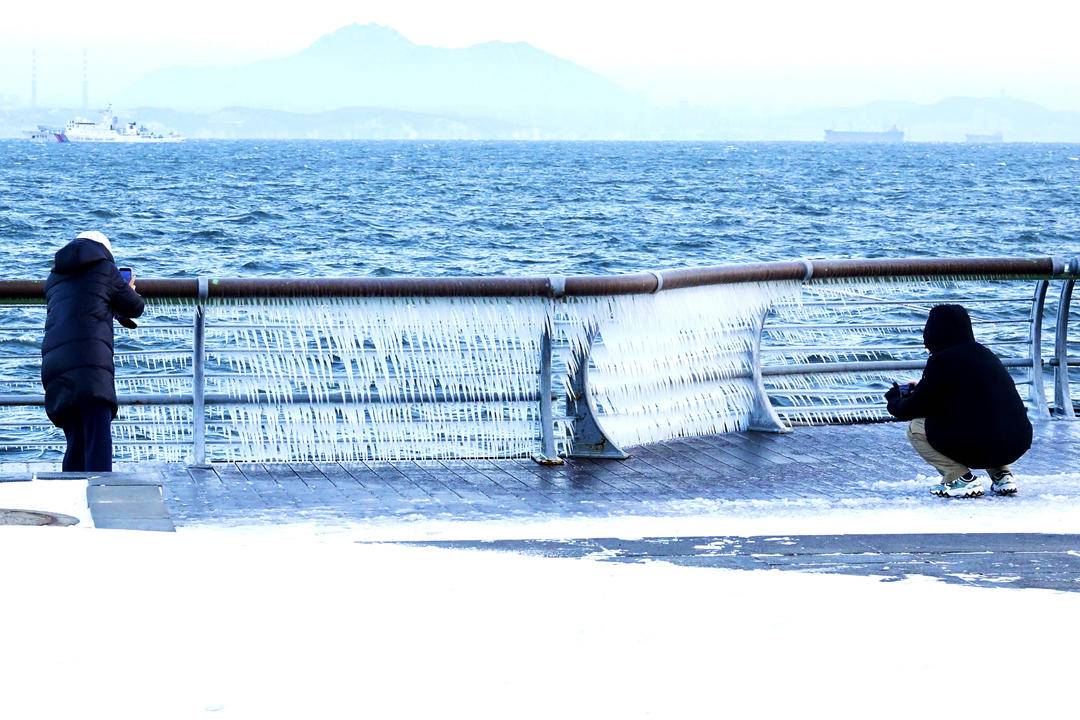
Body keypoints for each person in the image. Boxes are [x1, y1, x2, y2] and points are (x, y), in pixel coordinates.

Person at [885, 304, 1032, 498]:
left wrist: (894, 398)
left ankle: (959, 478)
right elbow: (965, 395)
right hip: (1018, 441)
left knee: (916, 428)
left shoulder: (941, 361)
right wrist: (921, 387)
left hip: (981, 443)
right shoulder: (986, 354)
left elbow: (913, 409)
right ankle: (1002, 475)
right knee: (987, 420)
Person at [41, 231, 145, 472]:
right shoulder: (106, 269)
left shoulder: (54, 276)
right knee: (98, 447)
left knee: (76, 445)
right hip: (91, 370)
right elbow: (135, 306)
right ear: (104, 252)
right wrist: (127, 287)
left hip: (56, 368)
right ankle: (99, 502)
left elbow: (84, 301)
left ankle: (71, 503)